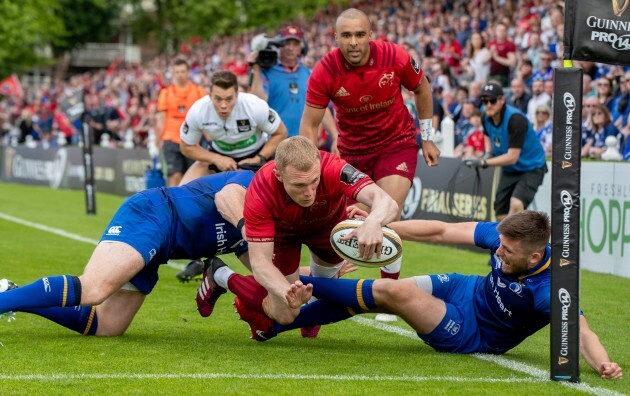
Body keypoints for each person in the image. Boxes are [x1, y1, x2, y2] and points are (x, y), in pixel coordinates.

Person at [232, 211, 623, 380]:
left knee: (387, 291)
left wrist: (603, 363)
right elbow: (439, 232)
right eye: (499, 244)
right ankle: (274, 322)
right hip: (463, 287)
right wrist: (379, 224)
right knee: (380, 293)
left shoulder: (551, 289)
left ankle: (282, 288)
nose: (498, 251)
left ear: (535, 256)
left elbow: (579, 331)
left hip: (473, 334)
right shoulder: (504, 239)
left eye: (507, 251)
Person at [299, 9, 439, 315]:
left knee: (386, 214)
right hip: (352, 153)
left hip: (397, 144)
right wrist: (309, 170)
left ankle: (390, 293)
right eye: (346, 35)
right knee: (334, 230)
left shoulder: (396, 56)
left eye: (360, 34)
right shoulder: (324, 71)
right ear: (335, 38)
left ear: (370, 35)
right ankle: (316, 299)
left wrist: (427, 137)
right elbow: (309, 125)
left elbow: (422, 88)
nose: (353, 42)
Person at [0, 171, 255, 336]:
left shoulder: (262, 223)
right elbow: (226, 198)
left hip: (164, 248)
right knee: (94, 288)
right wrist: (249, 231)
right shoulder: (250, 183)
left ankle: (12, 293)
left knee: (106, 327)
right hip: (154, 214)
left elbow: (264, 269)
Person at [195, 136, 399, 336]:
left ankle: (308, 320)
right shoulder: (261, 191)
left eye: (314, 181)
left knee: (325, 298)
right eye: (299, 186)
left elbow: (386, 202)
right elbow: (259, 262)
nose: (309, 192)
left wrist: (373, 221)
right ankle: (222, 276)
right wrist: (286, 292)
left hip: (327, 229)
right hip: (284, 237)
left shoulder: (335, 168)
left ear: (319, 165)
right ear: (279, 175)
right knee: (286, 314)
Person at [179, 71, 288, 184]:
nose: (223, 105)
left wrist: (259, 158)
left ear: (237, 95)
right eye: (218, 99)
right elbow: (186, 146)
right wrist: (216, 159)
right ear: (210, 95)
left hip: (257, 155)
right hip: (217, 156)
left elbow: (281, 133)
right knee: (183, 188)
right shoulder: (198, 110)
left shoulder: (254, 106)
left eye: (229, 99)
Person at [464, 82, 547, 221]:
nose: (488, 104)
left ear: (502, 100)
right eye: (484, 101)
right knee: (500, 213)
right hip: (510, 170)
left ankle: (518, 240)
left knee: (516, 204)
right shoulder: (485, 117)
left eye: (492, 100)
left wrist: (484, 162)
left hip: (532, 167)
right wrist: (489, 152)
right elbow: (487, 134)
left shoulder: (515, 119)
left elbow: (512, 157)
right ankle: (514, 237)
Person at [249, 26, 338, 139]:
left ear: (302, 48)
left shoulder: (309, 73)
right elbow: (258, 102)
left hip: (305, 140)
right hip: (276, 140)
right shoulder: (266, 72)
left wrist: (335, 136)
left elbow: (321, 108)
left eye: (295, 44)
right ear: (279, 46)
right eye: (286, 43)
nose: (290, 48)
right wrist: (256, 69)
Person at [156, 59, 206, 187]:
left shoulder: (198, 91)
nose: (180, 74)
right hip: (171, 139)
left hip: (193, 141)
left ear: (188, 72)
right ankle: (171, 205)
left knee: (193, 177)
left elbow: (205, 116)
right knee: (174, 175)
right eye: (177, 72)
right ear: (173, 73)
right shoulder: (165, 93)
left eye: (183, 71)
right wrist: (158, 140)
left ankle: (189, 206)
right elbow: (161, 119)